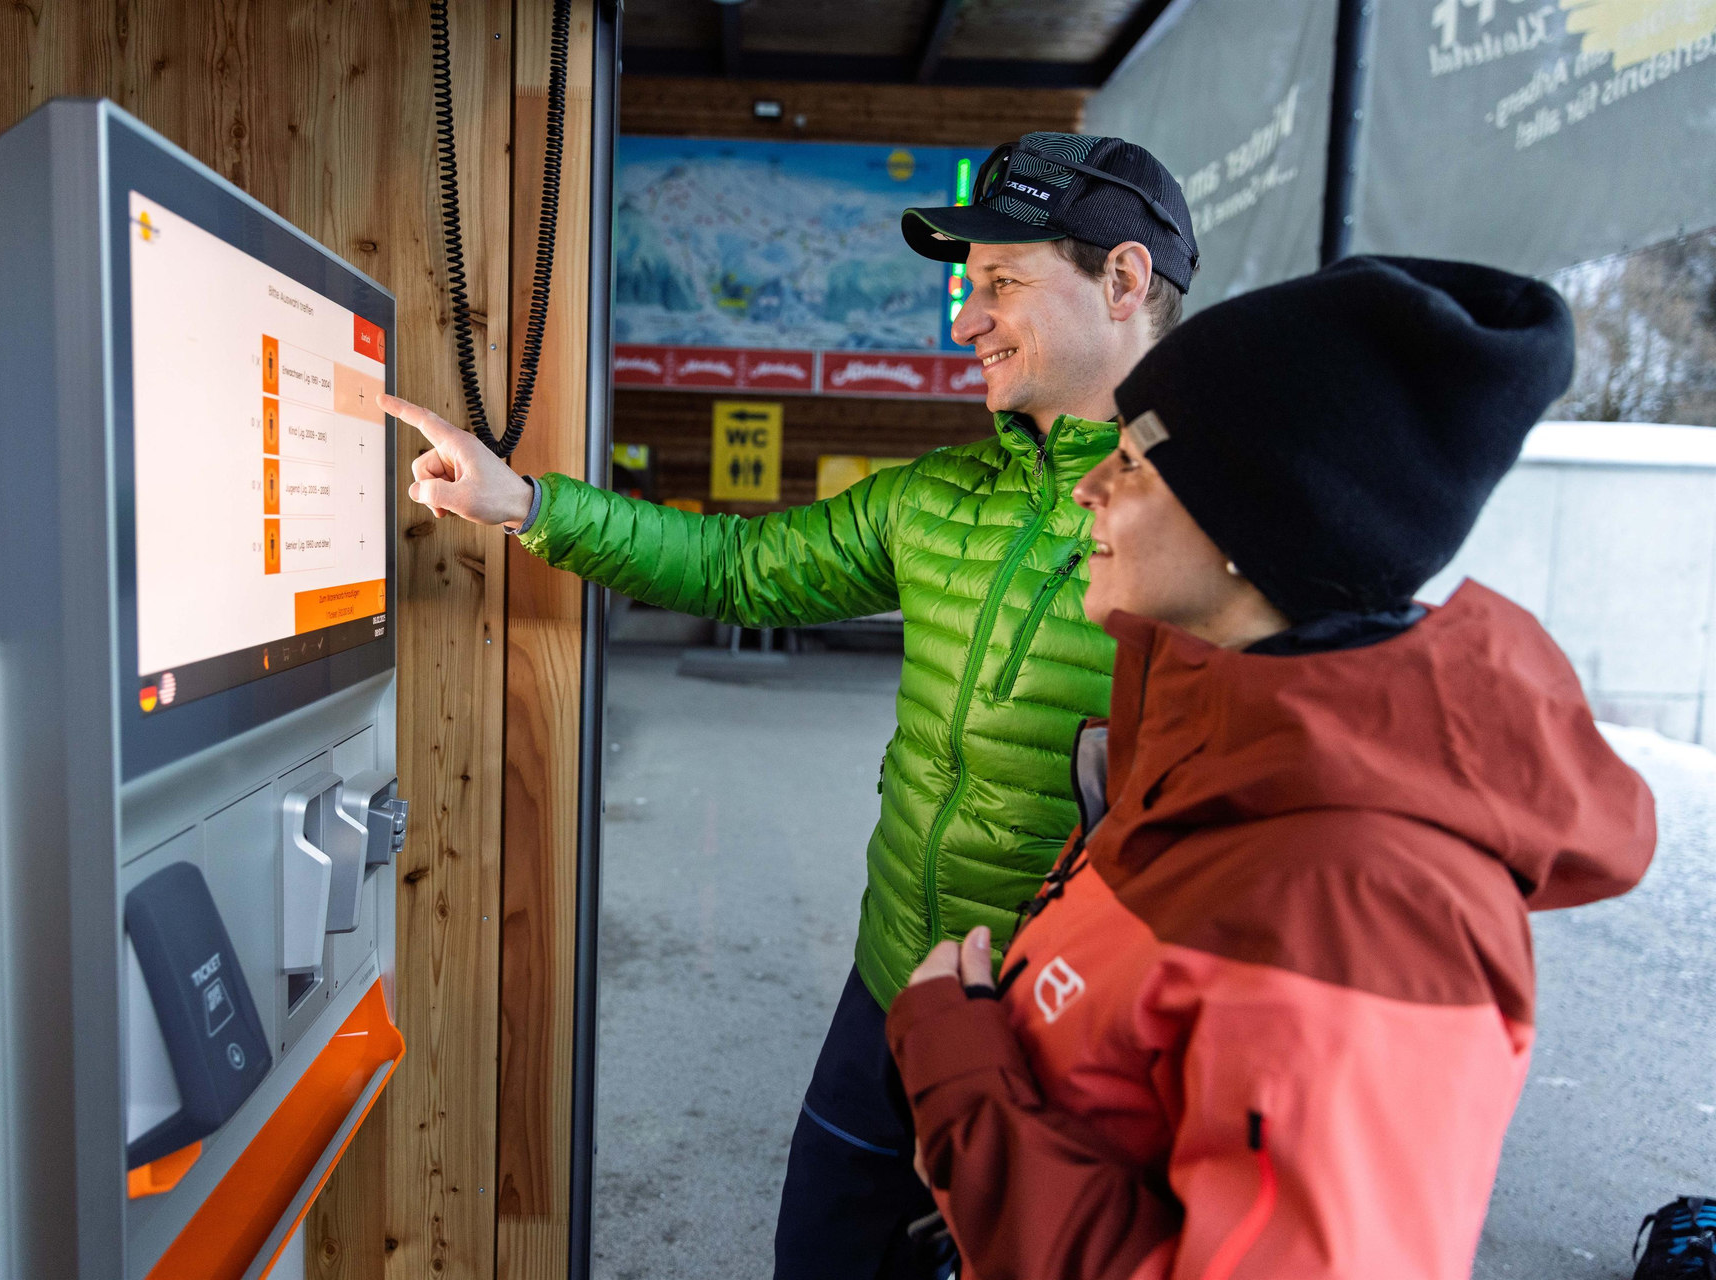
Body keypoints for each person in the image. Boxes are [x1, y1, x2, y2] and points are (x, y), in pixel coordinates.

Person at [385, 133, 1200, 1278]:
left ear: (1123, 278)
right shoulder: (936, 495)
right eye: (969, 287)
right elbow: (739, 569)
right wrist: (524, 501)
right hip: (895, 986)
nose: (967, 320)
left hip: (1077, 1028)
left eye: (1003, 281)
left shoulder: (1213, 529)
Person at [885, 255, 1658, 1280]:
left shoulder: (1368, 910)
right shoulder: (1210, 748)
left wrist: (963, 1086)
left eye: (1134, 462)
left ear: (1257, 524)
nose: (1090, 487)